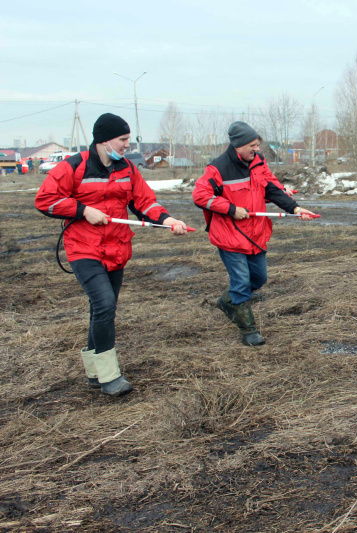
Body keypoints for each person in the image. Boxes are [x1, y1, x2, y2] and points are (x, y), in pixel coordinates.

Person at [35, 113, 190, 397]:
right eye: (122, 140)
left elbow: (144, 203)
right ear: (104, 140)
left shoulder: (128, 169)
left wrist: (167, 220)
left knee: (102, 309)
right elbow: (45, 200)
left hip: (117, 248)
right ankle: (109, 377)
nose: (126, 145)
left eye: (128, 140)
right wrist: (83, 210)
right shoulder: (73, 167)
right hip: (83, 248)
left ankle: (95, 372)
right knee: (104, 304)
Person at [192, 121, 317, 346]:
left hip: (255, 234)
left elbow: (271, 188)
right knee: (241, 281)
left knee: (259, 278)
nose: (256, 149)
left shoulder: (259, 162)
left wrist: (295, 208)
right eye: (252, 145)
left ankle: (226, 301)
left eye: (258, 144)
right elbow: (200, 196)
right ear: (238, 146)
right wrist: (231, 209)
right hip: (229, 235)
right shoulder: (217, 168)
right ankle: (247, 329)